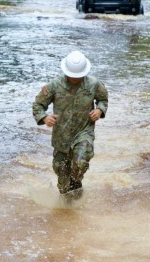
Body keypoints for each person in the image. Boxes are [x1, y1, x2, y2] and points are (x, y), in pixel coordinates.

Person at [32, 50, 108, 197]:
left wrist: (99, 110)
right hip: (61, 135)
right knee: (62, 179)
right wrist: (44, 118)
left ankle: (77, 185)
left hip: (83, 132)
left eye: (78, 76)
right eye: (72, 76)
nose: (74, 79)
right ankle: (69, 207)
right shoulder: (53, 86)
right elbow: (38, 105)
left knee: (79, 164)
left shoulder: (94, 84)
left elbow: (103, 99)